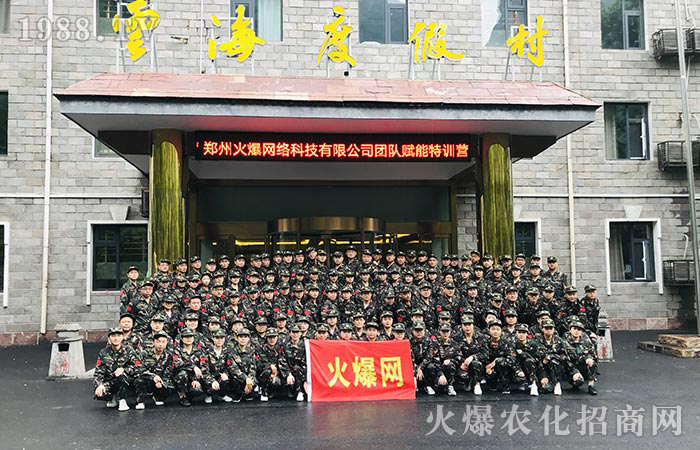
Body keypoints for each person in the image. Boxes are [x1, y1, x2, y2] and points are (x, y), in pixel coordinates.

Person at [94, 327, 139, 412]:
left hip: (126, 381)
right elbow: (98, 371)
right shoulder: (103, 352)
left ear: (122, 337)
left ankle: (122, 400)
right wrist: (99, 385)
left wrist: (124, 369)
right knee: (100, 392)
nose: (116, 338)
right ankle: (112, 397)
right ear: (109, 338)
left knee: (122, 375)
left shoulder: (129, 350)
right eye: (113, 336)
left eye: (118, 335)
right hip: (111, 380)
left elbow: (137, 367)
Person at [135, 330, 175, 409]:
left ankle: (158, 397)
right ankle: (140, 401)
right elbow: (139, 369)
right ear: (153, 343)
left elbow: (168, 371)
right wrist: (153, 377)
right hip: (147, 380)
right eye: (158, 341)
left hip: (160, 381)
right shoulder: (144, 354)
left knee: (170, 385)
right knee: (139, 380)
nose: (161, 344)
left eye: (163, 342)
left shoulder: (168, 355)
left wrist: (161, 382)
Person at [173, 328, 209, 406]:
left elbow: (204, 366)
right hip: (182, 377)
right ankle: (182, 396)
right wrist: (193, 367)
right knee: (182, 374)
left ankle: (189, 396)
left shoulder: (199, 350)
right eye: (186, 337)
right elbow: (178, 364)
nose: (188, 339)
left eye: (190, 336)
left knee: (197, 390)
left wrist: (196, 379)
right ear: (182, 338)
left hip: (196, 377)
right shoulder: (177, 350)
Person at [564, 320, 599, 395]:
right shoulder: (565, 341)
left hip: (582, 365)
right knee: (578, 381)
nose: (576, 331)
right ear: (570, 330)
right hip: (570, 369)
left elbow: (592, 354)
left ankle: (591, 385)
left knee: (592, 362)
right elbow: (565, 359)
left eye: (579, 329)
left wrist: (588, 358)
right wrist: (574, 372)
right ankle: (575, 383)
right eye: (574, 329)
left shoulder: (586, 341)